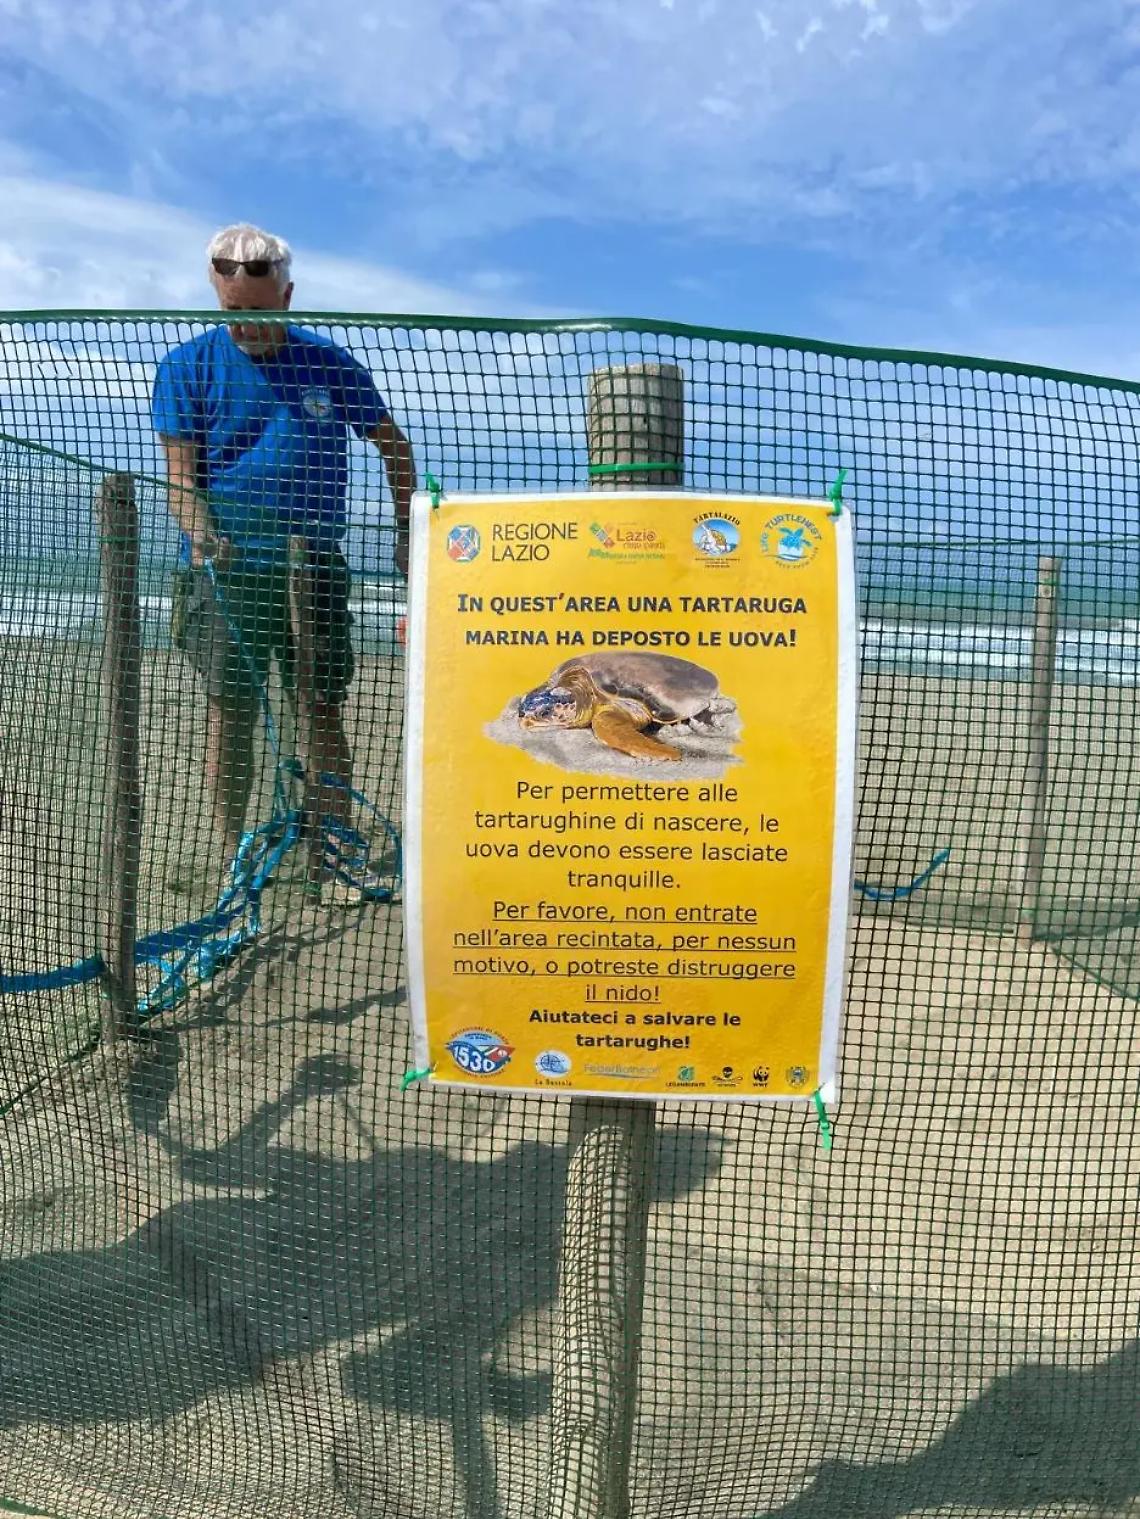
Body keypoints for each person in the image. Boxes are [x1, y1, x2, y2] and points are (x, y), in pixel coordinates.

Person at [152, 222, 415, 896]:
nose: (246, 327)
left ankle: (335, 844)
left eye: (260, 313)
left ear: (287, 296)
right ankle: (234, 851)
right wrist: (201, 530)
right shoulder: (186, 366)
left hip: (314, 561)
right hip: (227, 567)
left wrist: (406, 532)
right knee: (229, 710)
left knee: (319, 704)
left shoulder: (330, 364)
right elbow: (181, 476)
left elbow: (396, 448)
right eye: (232, 311)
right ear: (218, 295)